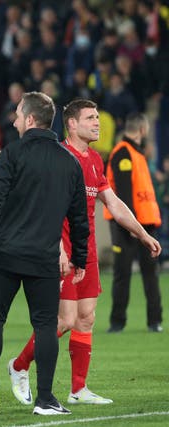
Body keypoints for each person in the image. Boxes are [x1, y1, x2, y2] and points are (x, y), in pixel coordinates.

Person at [7, 99, 162, 408]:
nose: (97, 123)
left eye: (97, 117)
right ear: (72, 124)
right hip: (60, 250)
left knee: (86, 318)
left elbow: (114, 203)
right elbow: (46, 209)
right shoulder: (59, 158)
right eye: (90, 118)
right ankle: (19, 366)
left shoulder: (93, 159)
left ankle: (78, 389)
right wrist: (58, 248)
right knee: (64, 320)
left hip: (86, 249)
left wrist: (143, 233)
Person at [0, 92, 89, 415]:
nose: (14, 120)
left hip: (6, 255)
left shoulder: (12, 153)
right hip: (44, 258)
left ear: (30, 120)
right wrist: (80, 259)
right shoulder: (69, 161)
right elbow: (79, 218)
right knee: (45, 326)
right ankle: (46, 399)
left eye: (17, 114)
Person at [104, 113, 164, 333]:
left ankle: (155, 320)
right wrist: (131, 225)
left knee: (150, 272)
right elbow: (123, 192)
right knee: (122, 273)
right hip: (127, 225)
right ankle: (117, 322)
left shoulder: (136, 154)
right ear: (142, 129)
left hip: (144, 223)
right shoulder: (123, 153)